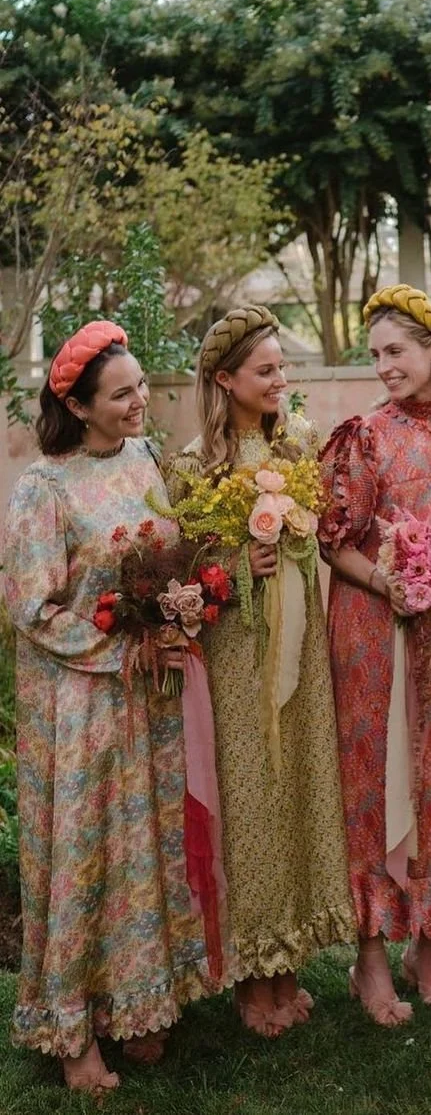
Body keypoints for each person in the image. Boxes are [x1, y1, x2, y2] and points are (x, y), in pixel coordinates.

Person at [4, 322, 215, 1092]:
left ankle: (138, 1004)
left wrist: (180, 610)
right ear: (78, 406)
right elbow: (31, 606)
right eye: (121, 395)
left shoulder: (145, 458)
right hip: (80, 703)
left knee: (144, 850)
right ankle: (72, 1034)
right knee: (87, 858)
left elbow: (171, 556)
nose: (140, 402)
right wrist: (123, 650)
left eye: (140, 387)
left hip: (149, 700)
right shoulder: (45, 488)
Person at [167, 306, 353, 1038]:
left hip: (301, 649)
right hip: (237, 659)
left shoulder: (301, 442)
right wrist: (240, 561)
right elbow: (184, 576)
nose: (281, 380)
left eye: (283, 368)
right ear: (225, 379)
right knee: (249, 804)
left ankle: (289, 963)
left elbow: (323, 537)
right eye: (266, 370)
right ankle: (251, 975)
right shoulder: (193, 467)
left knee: (297, 788)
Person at [319, 284, 431, 1025]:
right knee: (375, 781)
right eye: (376, 355)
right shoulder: (364, 435)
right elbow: (333, 540)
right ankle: (369, 958)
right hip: (375, 631)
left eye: (397, 351)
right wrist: (387, 580)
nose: (385, 365)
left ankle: (428, 948)